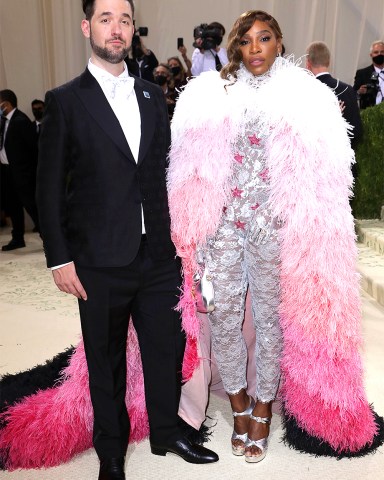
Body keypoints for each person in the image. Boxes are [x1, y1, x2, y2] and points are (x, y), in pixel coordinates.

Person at [168, 9, 384, 464]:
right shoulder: (212, 94)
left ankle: (265, 403)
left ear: (278, 43)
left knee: (269, 321)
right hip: (224, 230)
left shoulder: (304, 96)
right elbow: (193, 171)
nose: (255, 49)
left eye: (263, 39)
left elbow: (324, 173)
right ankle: (240, 401)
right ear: (236, 48)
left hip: (274, 230)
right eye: (246, 41)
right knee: (225, 320)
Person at [36, 1, 218, 479]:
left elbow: (160, 172)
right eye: (105, 19)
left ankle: (167, 431)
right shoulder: (65, 100)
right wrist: (59, 258)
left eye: (124, 20)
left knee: (166, 347)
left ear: (133, 30)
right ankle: (111, 452)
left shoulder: (151, 95)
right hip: (98, 258)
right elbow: (49, 187)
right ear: (86, 27)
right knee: (106, 359)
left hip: (157, 254)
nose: (116, 29)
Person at [0, 89, 40, 251]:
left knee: (32, 207)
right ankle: (18, 238)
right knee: (13, 206)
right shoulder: (3, 121)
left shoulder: (21, 120)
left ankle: (49, 239)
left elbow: (34, 149)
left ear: (6, 104)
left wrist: (31, 173)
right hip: (7, 172)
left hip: (23, 174)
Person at [306, 41, 362, 150]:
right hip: (344, 160)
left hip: (316, 161)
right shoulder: (348, 90)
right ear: (329, 61)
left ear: (308, 63)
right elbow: (357, 132)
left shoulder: (305, 92)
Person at [353, 40, 384, 109]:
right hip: (370, 116)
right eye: (376, 52)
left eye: (382, 52)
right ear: (371, 55)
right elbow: (353, 94)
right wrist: (359, 92)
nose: (379, 54)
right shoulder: (362, 73)